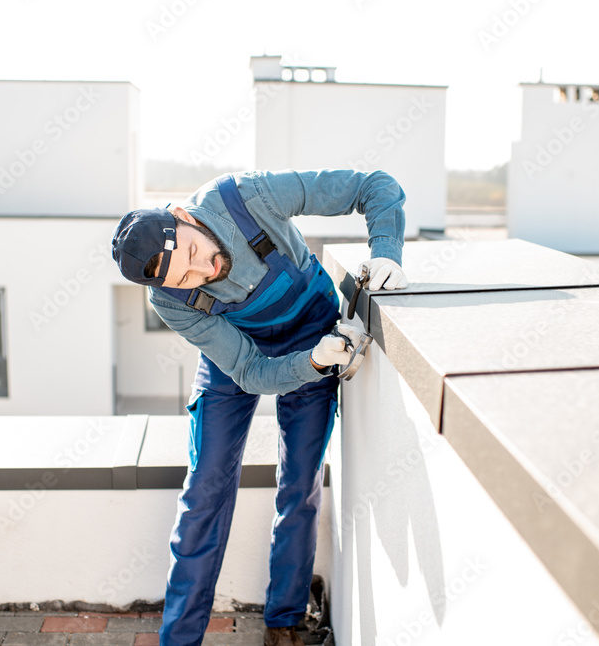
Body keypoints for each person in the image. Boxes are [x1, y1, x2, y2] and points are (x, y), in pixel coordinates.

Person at [111, 169, 408, 646]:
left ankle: (284, 621)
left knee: (299, 483)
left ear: (184, 216)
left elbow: (374, 186)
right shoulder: (169, 298)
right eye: (185, 276)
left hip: (315, 332)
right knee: (205, 490)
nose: (202, 272)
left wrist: (386, 252)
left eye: (192, 253)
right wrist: (310, 363)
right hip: (237, 360)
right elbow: (249, 371)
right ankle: (180, 638)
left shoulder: (247, 196)